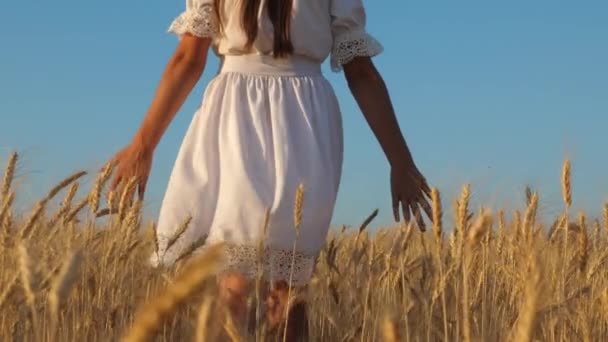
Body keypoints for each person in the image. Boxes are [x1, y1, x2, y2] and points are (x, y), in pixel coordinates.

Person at [108, 0, 432, 339]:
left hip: (279, 114)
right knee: (251, 278)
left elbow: (360, 71)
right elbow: (188, 58)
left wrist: (401, 160)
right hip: (266, 114)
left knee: (282, 287)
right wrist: (142, 145)